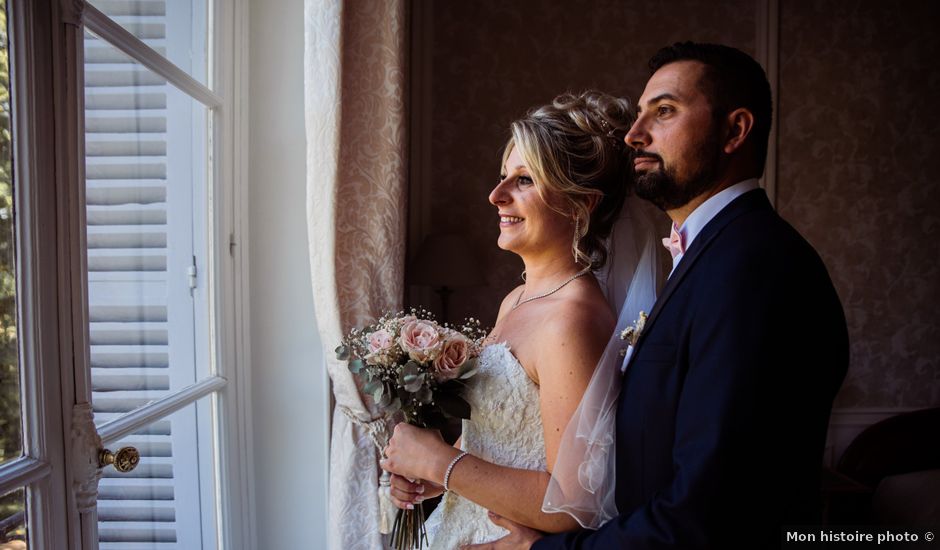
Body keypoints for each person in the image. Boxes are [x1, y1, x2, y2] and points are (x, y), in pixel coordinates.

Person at [478, 42, 850, 549]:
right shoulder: (706, 259)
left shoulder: (755, 269)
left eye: (665, 112)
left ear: (734, 131)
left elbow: (712, 510)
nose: (634, 135)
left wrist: (544, 549)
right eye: (638, 116)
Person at [379, 91, 662, 548]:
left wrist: (438, 463)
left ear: (580, 204)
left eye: (525, 179)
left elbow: (574, 501)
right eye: (502, 176)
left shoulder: (570, 321)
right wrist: (436, 475)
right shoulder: (515, 300)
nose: (496, 195)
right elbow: (506, 445)